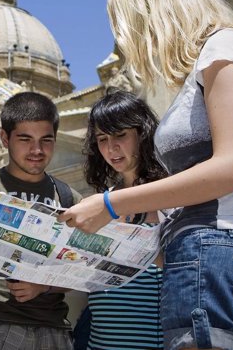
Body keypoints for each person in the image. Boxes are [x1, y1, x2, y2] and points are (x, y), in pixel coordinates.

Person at [60, 0, 233, 350]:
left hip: (214, 252)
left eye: (134, 27)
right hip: (197, 254)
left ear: (157, 10)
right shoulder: (207, 62)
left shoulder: (225, 49)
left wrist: (110, 204)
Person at [0, 91, 80, 350]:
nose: (37, 150)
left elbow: (82, 269)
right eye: (25, 139)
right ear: (4, 138)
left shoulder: (68, 197)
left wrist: (42, 285)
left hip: (54, 329)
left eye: (46, 140)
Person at [79, 89, 166, 350]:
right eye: (102, 139)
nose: (111, 148)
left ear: (142, 134)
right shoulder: (96, 204)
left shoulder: (168, 194)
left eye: (120, 135)